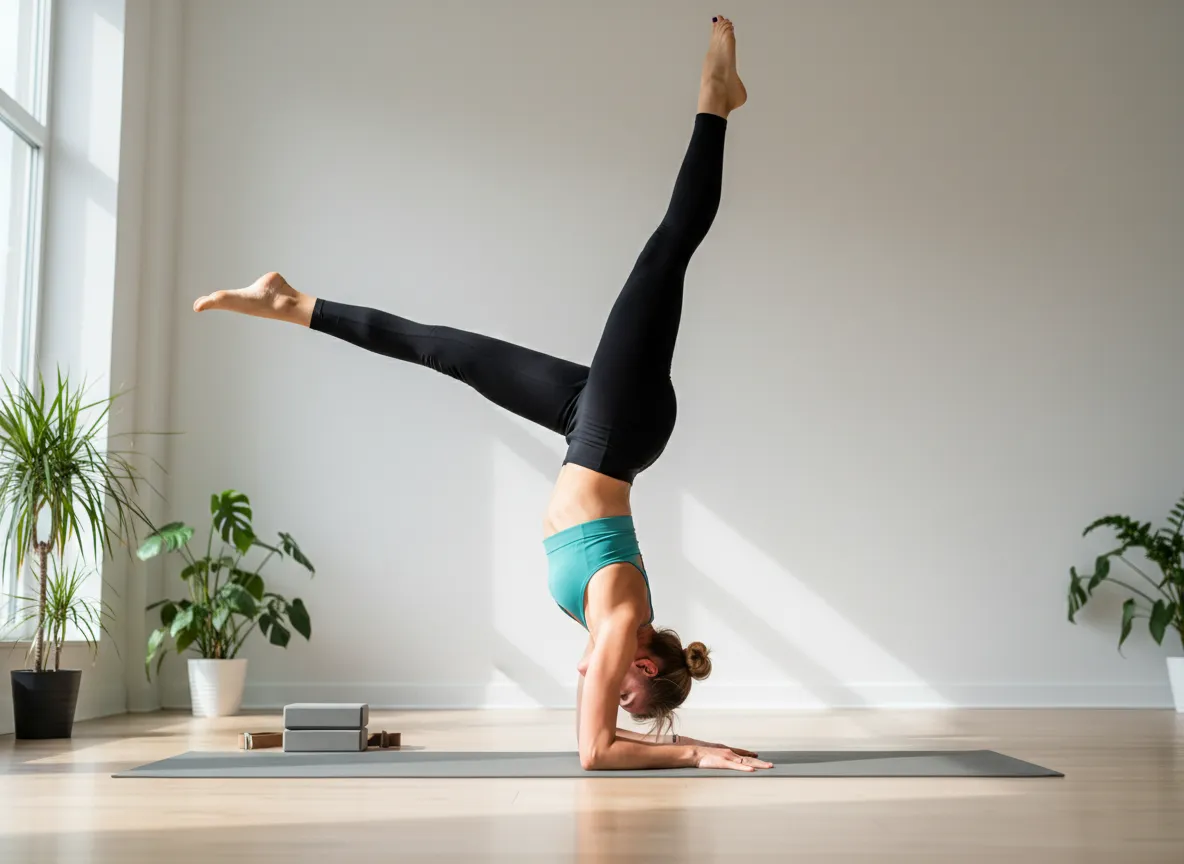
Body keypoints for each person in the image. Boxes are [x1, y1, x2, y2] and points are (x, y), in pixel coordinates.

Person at [194, 16, 770, 772]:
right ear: (647, 667)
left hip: (590, 432)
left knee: (446, 351)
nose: (599, 690)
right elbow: (594, 752)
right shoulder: (624, 617)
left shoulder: (611, 629)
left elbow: (597, 740)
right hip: (615, 431)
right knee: (668, 249)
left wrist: (675, 739)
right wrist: (696, 755)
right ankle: (714, 101)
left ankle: (289, 302)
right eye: (626, 697)